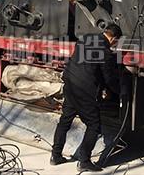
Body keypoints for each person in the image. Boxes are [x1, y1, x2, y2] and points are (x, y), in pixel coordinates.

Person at [51, 24, 123, 172]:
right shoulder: (105, 52)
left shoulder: (85, 39)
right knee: (94, 125)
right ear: (113, 39)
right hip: (84, 90)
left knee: (65, 121)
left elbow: (89, 64)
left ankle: (56, 155)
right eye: (116, 42)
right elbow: (108, 78)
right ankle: (84, 161)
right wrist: (119, 92)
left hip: (70, 84)